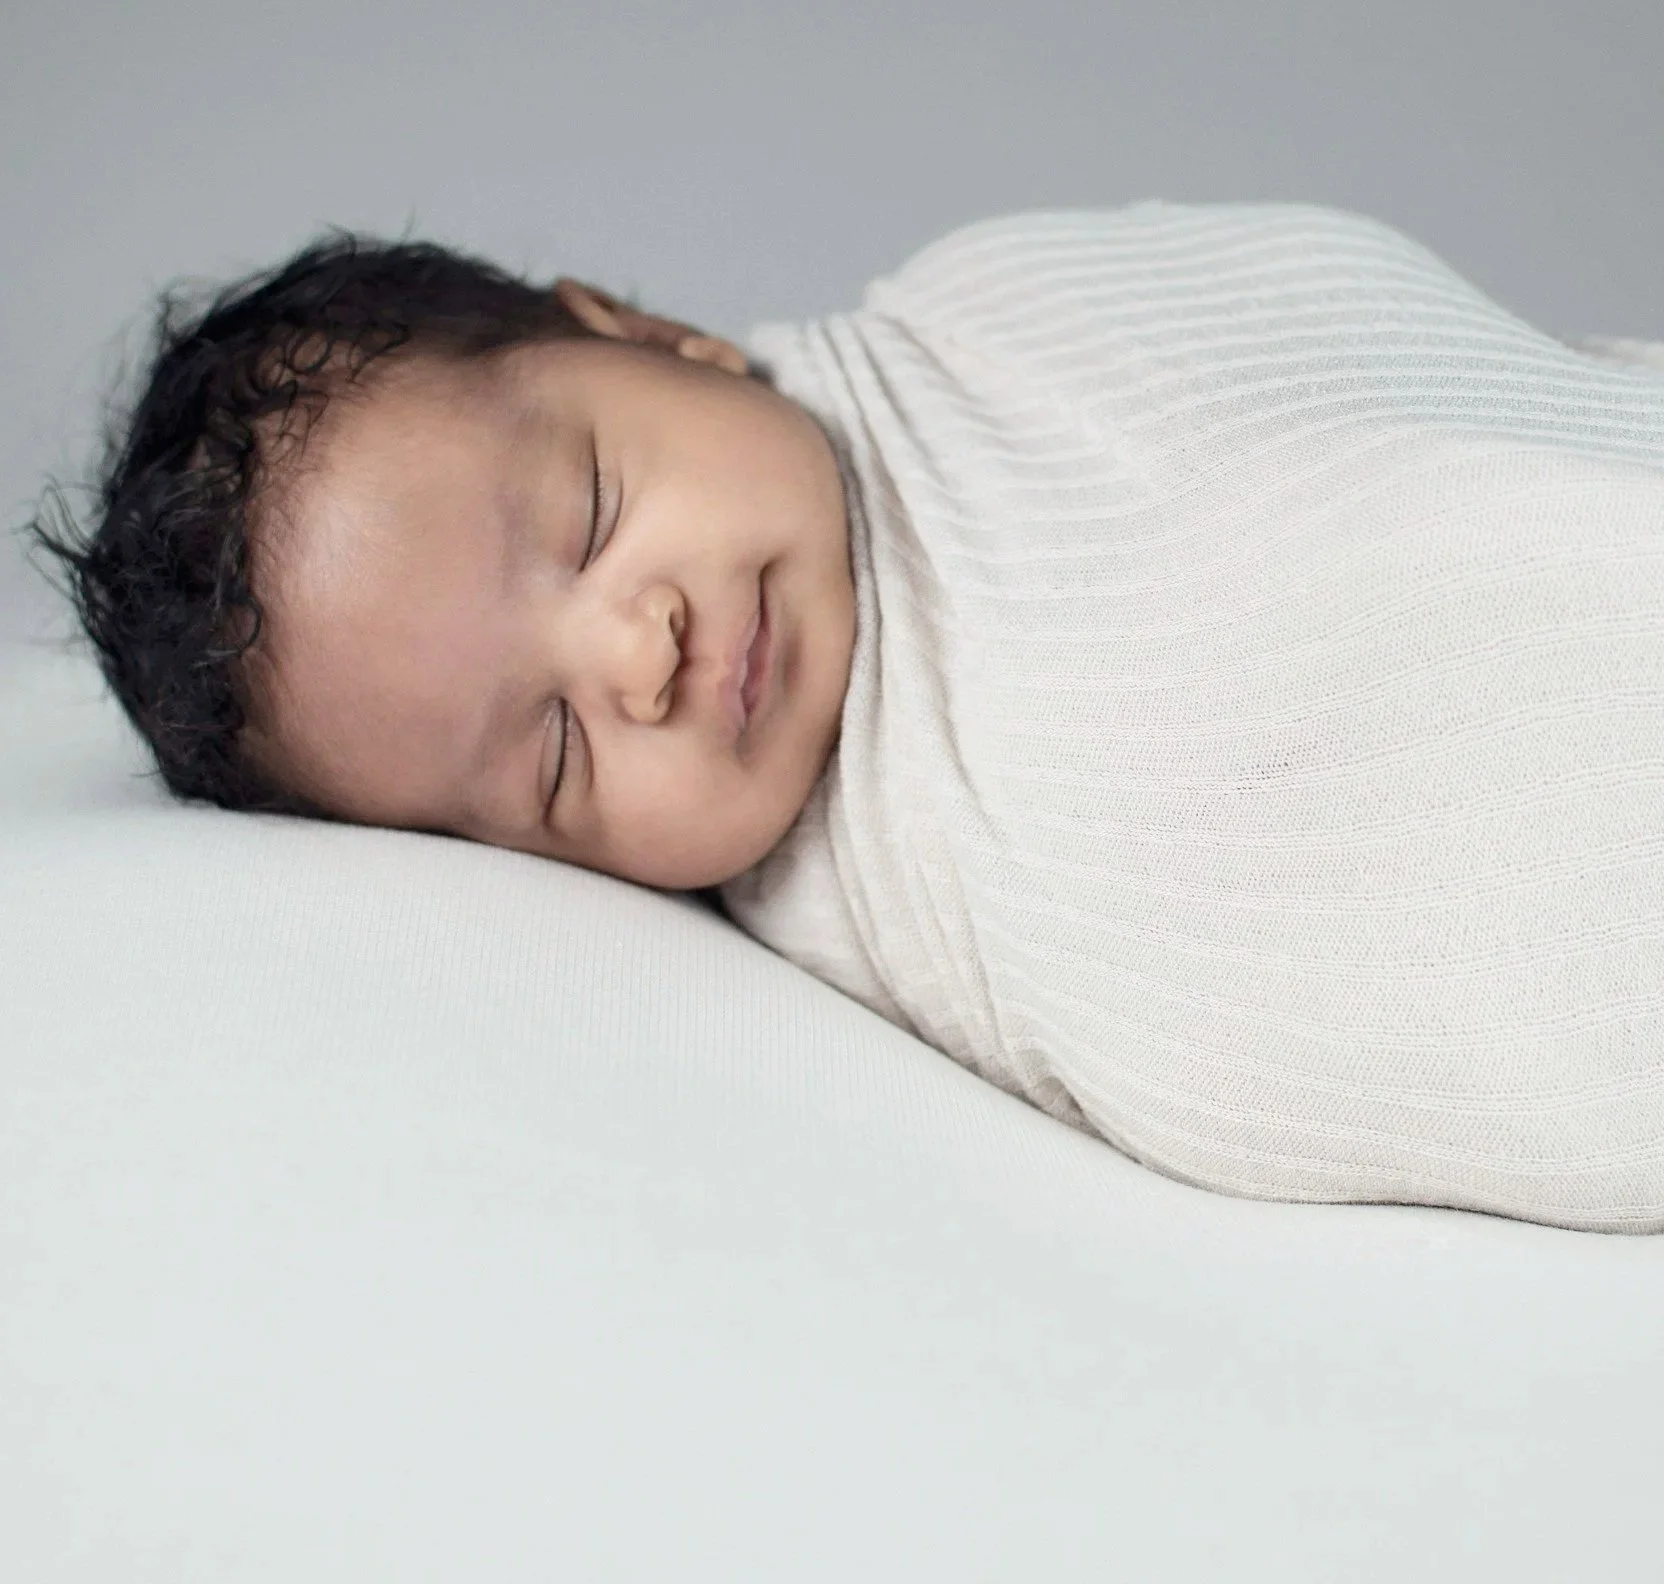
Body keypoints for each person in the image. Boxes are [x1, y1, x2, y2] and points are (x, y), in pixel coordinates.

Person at [32, 201, 1664, 1233]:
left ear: (644, 336)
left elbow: (1374, 370)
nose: (638, 656)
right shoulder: (865, 908)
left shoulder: (999, 316)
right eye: (551, 756)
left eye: (595, 507)